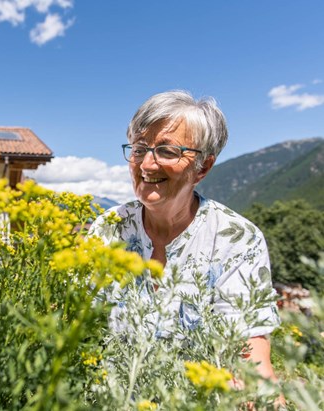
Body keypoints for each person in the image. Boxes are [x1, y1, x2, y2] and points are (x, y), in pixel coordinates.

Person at [88, 90, 281, 382]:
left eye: (167, 151)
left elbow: (251, 362)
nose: (146, 165)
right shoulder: (109, 227)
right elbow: (78, 319)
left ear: (202, 166)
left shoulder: (237, 239)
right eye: (139, 149)